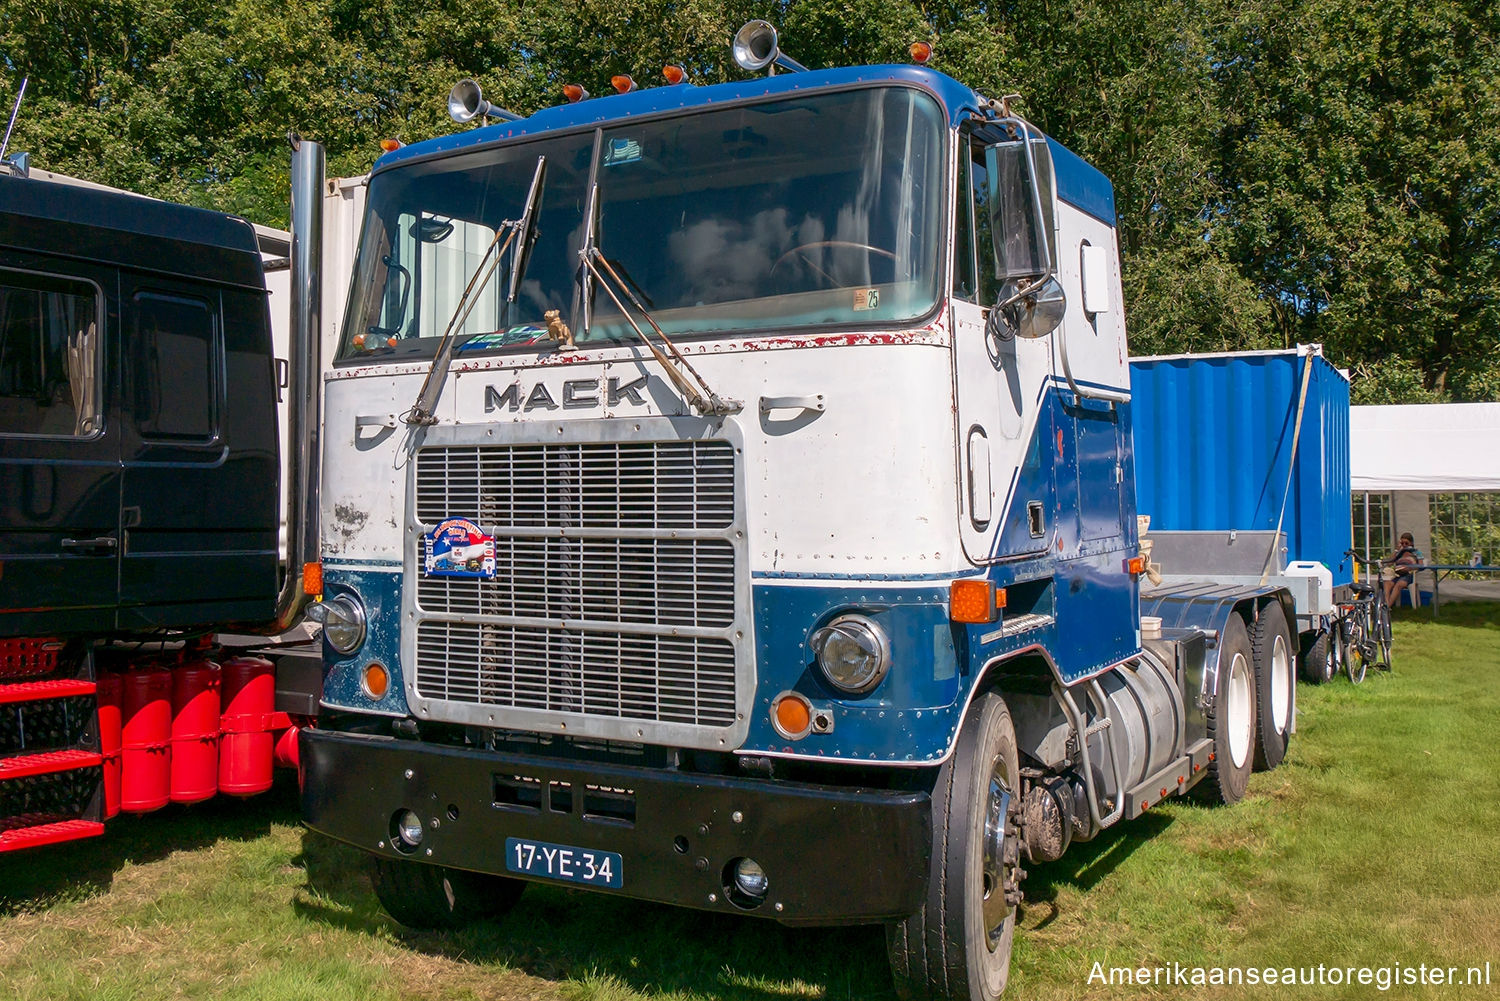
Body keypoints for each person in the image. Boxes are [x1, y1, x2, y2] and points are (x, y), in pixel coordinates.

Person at [1381, 532, 1423, 609]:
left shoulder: (1416, 552)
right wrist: (1397, 550)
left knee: (1399, 584)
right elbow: (1390, 563)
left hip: (1408, 574)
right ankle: (1386, 605)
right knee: (1386, 584)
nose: (1404, 545)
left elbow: (1421, 565)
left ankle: (1386, 608)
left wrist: (1410, 568)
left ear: (1411, 543)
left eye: (1406, 543)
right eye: (1402, 543)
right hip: (1397, 574)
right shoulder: (1400, 552)